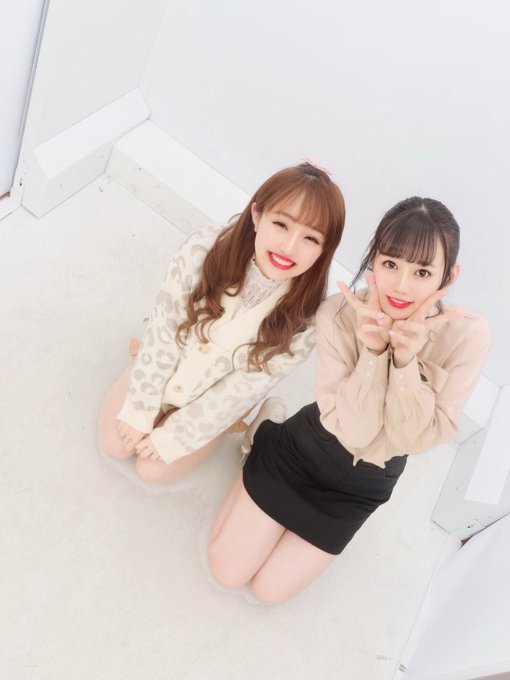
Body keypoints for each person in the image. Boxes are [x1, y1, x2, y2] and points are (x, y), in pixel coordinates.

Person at [207, 196, 492, 603]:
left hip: (364, 485)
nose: (401, 285)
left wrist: (405, 362)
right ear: (373, 256)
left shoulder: (467, 335)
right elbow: (355, 430)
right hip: (305, 449)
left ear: (449, 275)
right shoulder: (338, 313)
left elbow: (410, 439)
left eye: (422, 272)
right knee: (227, 572)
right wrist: (373, 352)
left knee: (268, 592)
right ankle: (264, 438)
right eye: (390, 264)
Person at [97, 162, 346, 482]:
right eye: (281, 224)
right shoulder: (204, 249)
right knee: (114, 445)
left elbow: (241, 389)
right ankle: (139, 370)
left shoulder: (307, 319)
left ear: (324, 250)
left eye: (310, 238)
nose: (289, 247)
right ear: (257, 215)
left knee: (152, 472)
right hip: (164, 361)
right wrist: (142, 407)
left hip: (213, 403)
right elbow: (164, 330)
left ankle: (229, 427)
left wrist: (175, 436)